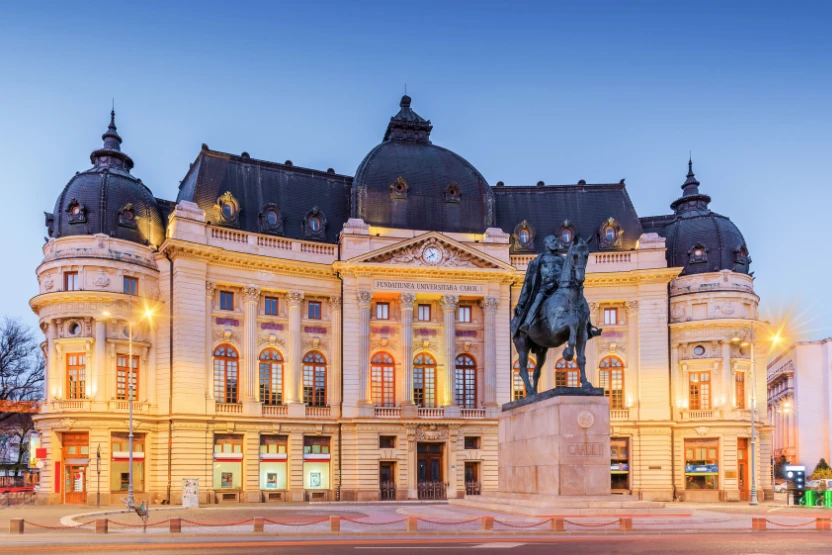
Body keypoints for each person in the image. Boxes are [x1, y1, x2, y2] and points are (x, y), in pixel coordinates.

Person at [511, 234, 602, 339]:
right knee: (537, 301)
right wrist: (521, 303)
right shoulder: (539, 260)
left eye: (556, 241)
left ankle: (588, 327)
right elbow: (528, 282)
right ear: (547, 244)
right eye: (553, 242)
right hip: (545, 288)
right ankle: (527, 323)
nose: (556, 243)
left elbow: (570, 270)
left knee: (581, 301)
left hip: (560, 288)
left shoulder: (562, 259)